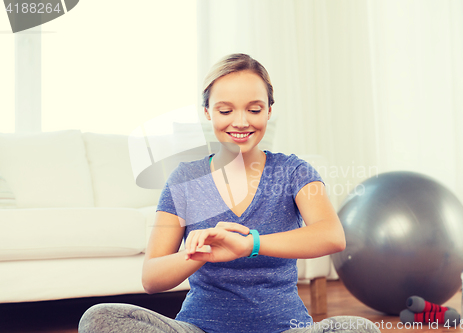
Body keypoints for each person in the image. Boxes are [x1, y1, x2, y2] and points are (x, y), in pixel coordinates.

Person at [78, 53, 381, 333]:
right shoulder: (186, 178)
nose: (240, 121)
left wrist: (249, 244)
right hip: (200, 328)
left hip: (282, 328)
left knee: (359, 328)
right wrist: (198, 253)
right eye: (226, 110)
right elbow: (152, 279)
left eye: (254, 109)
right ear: (208, 112)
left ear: (269, 111)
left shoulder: (293, 171)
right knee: (100, 318)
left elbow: (331, 235)